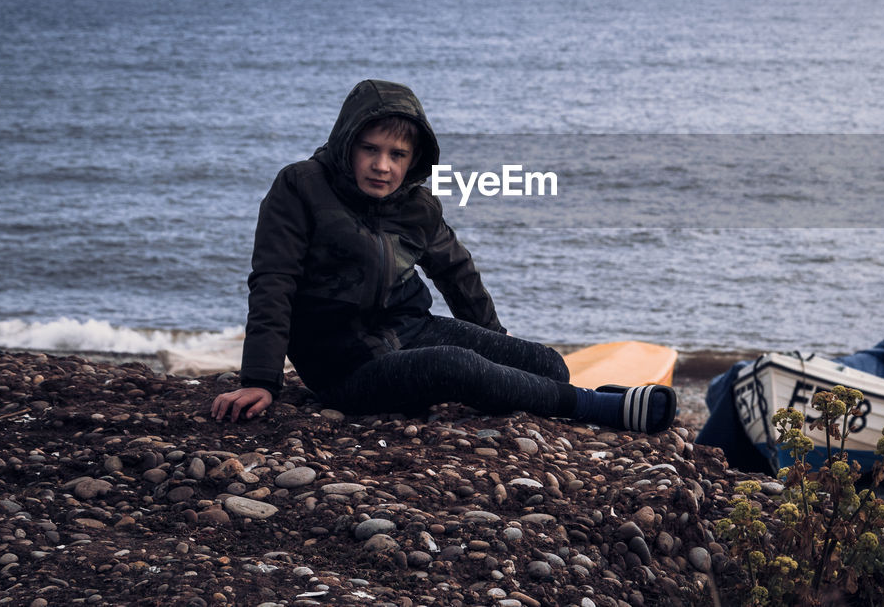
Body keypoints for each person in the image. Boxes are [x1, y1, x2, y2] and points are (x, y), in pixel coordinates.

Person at [211, 79, 675, 434]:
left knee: (546, 363)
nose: (383, 165)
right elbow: (274, 282)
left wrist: (496, 341)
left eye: (398, 154)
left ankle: (570, 391)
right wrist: (261, 379)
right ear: (346, 143)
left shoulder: (416, 204)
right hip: (345, 364)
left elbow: (456, 271)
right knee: (452, 365)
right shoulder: (300, 187)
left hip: (413, 329)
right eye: (370, 149)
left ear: (413, 159)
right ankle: (600, 408)